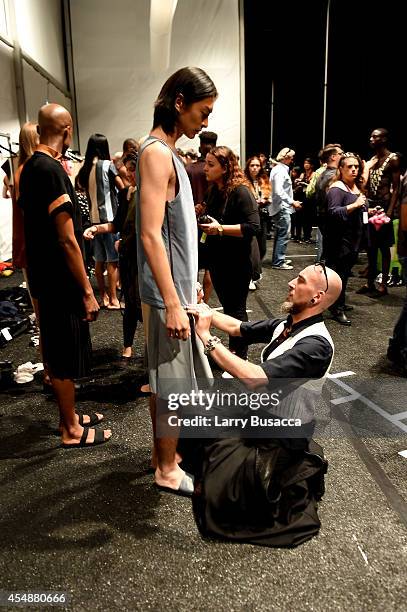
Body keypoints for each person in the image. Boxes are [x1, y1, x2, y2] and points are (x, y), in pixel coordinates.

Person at [186, 263, 342, 546]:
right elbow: (237, 327)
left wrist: (207, 337)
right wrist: (203, 310)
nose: (291, 282)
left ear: (316, 298)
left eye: (301, 280)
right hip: (260, 413)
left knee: (221, 494)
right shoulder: (287, 324)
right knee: (193, 414)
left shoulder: (317, 345)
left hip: (282, 435)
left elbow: (257, 379)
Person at [136, 66, 217, 494]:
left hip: (177, 288)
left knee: (168, 379)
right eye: (201, 113)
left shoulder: (166, 153)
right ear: (180, 102)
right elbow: (150, 233)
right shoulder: (154, 153)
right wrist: (171, 300)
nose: (205, 123)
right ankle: (166, 469)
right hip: (167, 294)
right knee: (173, 383)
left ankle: (162, 456)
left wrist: (189, 285)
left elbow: (173, 232)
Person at [19, 104, 111, 447]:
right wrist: (87, 290)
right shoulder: (50, 169)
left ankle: (71, 416)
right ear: (68, 130)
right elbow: (66, 237)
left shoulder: (30, 167)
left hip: (44, 275)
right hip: (60, 279)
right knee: (61, 354)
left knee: (60, 350)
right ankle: (70, 429)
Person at [199, 146, 260, 359]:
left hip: (237, 262)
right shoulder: (214, 190)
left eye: (210, 164)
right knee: (229, 308)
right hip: (219, 260)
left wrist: (221, 229)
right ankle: (235, 351)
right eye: (206, 163)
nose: (205, 168)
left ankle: (239, 356)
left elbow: (253, 226)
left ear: (225, 168)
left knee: (236, 311)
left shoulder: (241, 191)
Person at [84, 152, 142, 359]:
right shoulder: (127, 193)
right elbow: (117, 224)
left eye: (133, 168)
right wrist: (96, 229)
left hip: (145, 259)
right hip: (128, 256)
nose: (129, 173)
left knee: (144, 303)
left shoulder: (150, 193)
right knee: (131, 303)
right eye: (127, 169)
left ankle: (153, 351)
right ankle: (127, 346)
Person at [77, 133, 122, 309]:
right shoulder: (107, 165)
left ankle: (102, 295)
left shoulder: (85, 168)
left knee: (98, 260)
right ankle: (113, 299)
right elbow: (121, 187)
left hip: (93, 220)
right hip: (109, 220)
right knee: (112, 260)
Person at [357, 128, 401, 296]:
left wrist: (390, 212)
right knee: (370, 245)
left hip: (384, 207)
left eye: (375, 137)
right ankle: (370, 283)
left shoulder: (393, 159)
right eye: (371, 136)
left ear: (384, 139)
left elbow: (396, 189)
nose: (371, 139)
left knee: (383, 246)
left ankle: (383, 285)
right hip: (371, 206)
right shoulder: (373, 160)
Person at [325, 153, 366, 325]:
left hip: (353, 238)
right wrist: (355, 205)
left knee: (345, 274)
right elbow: (333, 212)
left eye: (356, 166)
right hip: (340, 240)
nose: (354, 169)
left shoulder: (354, 186)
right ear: (341, 169)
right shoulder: (337, 188)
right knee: (338, 275)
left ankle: (338, 302)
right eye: (349, 166)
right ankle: (336, 307)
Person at [186, 130, 218, 302]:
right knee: (209, 268)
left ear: (200, 145)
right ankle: (204, 303)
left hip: (192, 222)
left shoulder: (189, 169)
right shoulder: (218, 171)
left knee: (193, 266)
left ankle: (194, 301)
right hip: (212, 223)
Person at [269, 147, 302, 269]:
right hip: (281, 207)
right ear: (286, 157)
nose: (292, 159)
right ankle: (278, 261)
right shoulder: (280, 171)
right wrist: (292, 202)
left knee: (280, 234)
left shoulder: (278, 169)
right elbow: (279, 191)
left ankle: (278, 258)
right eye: (291, 157)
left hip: (280, 206)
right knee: (283, 234)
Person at [244, 155, 272, 289]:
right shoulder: (244, 181)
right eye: (252, 165)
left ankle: (255, 270)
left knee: (262, 248)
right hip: (249, 218)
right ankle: (249, 275)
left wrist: (265, 200)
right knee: (251, 249)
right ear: (248, 167)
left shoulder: (264, 180)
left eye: (257, 165)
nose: (255, 168)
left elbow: (269, 197)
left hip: (262, 216)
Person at [313, 143, 344, 260]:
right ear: (333, 157)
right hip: (332, 220)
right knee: (334, 255)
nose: (343, 156)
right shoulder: (334, 176)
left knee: (328, 250)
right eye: (341, 154)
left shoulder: (321, 174)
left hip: (323, 217)